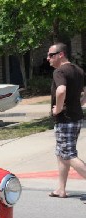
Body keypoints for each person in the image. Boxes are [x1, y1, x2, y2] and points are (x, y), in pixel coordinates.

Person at [47, 42, 86, 198]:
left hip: (65, 119)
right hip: (76, 118)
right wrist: (80, 103)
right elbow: (84, 92)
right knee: (61, 153)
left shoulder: (60, 71)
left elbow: (61, 90)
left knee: (68, 154)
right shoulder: (78, 70)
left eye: (51, 55)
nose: (48, 58)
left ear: (60, 55)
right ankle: (61, 189)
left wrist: (57, 109)